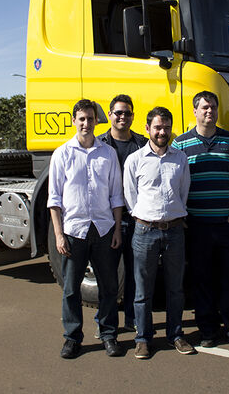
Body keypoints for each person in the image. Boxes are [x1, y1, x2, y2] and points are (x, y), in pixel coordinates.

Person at [172, 91, 229, 348]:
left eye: (213, 107)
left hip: (227, 224)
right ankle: (208, 331)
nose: (209, 111)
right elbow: (175, 183)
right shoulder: (181, 144)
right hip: (197, 226)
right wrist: (183, 214)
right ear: (195, 111)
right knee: (202, 280)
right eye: (204, 107)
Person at [48, 99, 124, 359]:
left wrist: (116, 230)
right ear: (74, 121)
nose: (86, 123)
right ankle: (72, 338)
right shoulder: (62, 153)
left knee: (109, 287)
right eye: (81, 118)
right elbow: (54, 199)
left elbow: (116, 195)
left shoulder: (108, 154)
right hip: (74, 232)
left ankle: (109, 334)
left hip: (103, 229)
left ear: (96, 121)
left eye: (90, 118)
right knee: (71, 289)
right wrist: (59, 235)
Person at [123, 106, 195, 359]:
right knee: (143, 291)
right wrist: (145, 217)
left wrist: (173, 214)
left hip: (175, 231)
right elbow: (130, 197)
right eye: (157, 127)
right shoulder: (134, 160)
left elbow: (183, 192)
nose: (162, 131)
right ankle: (143, 338)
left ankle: (176, 335)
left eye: (166, 127)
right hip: (144, 232)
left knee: (176, 288)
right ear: (147, 129)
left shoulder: (181, 158)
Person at [96, 94, 147, 334]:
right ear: (109, 115)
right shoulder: (98, 144)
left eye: (127, 113)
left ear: (133, 116)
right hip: (108, 221)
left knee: (136, 274)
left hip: (137, 219)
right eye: (118, 113)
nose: (122, 117)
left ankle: (132, 319)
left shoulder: (142, 143)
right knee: (108, 276)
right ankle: (104, 322)